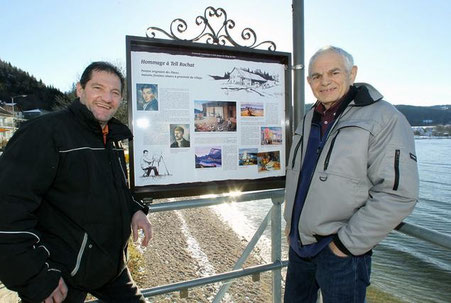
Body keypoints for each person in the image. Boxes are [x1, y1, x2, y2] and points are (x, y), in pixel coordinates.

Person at [0, 62, 152, 303]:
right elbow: (8, 209)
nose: (106, 98)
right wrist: (36, 277)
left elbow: (115, 189)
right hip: (61, 274)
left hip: (111, 268)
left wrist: (134, 210)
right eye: (98, 88)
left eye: (115, 93)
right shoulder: (45, 133)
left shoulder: (110, 138)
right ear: (79, 90)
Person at [283, 46, 419, 303]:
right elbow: (298, 176)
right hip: (300, 248)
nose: (325, 82)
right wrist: (290, 221)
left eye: (334, 72)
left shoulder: (384, 118)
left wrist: (344, 246)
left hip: (341, 253)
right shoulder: (310, 116)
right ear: (309, 81)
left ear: (352, 73)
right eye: (316, 76)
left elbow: (399, 194)